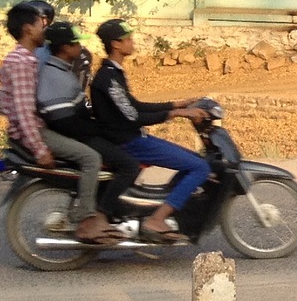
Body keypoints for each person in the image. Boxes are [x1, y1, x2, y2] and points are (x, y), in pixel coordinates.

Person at [0, 2, 118, 245]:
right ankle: (85, 220)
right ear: (27, 29)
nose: (44, 29)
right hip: (33, 132)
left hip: (37, 127)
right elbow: (24, 112)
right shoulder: (21, 62)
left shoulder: (25, 59)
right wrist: (39, 149)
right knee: (90, 158)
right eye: (38, 24)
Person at [90, 18, 211, 243]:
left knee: (194, 161)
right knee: (200, 167)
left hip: (132, 137)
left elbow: (134, 104)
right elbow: (133, 116)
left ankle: (167, 209)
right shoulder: (107, 78)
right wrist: (176, 114)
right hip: (130, 141)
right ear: (116, 44)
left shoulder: (113, 73)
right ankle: (156, 220)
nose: (132, 42)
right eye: (128, 39)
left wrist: (176, 104)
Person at [37, 21, 140, 223]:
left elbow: (80, 109)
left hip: (73, 128)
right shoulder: (55, 76)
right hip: (62, 132)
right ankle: (90, 215)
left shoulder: (64, 71)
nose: (81, 48)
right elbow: (64, 122)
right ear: (66, 48)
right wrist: (99, 127)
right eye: (76, 44)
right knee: (117, 162)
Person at [0, 0, 57, 164]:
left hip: (31, 97)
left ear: (43, 21)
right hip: (32, 97)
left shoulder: (37, 49)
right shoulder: (33, 48)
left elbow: (23, 101)